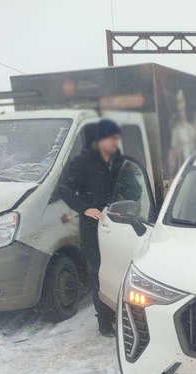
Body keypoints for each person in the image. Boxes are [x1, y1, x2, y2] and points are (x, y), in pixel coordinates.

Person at [57, 119, 124, 337]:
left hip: (120, 224)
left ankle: (121, 313)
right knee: (100, 273)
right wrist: (85, 208)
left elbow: (126, 186)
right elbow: (65, 189)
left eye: (117, 138)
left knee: (121, 272)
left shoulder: (118, 161)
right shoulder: (82, 162)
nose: (116, 142)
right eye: (112, 138)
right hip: (95, 229)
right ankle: (104, 322)